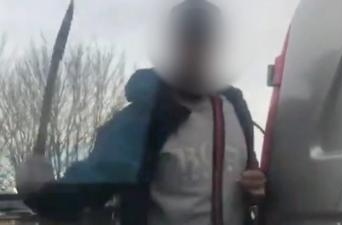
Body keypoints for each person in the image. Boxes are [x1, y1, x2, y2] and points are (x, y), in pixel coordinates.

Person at [16, 1, 266, 225]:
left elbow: (253, 179)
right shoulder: (141, 120)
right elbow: (86, 189)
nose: (197, 53)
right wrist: (37, 191)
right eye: (188, 42)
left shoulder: (235, 109)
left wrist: (256, 186)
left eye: (206, 42)